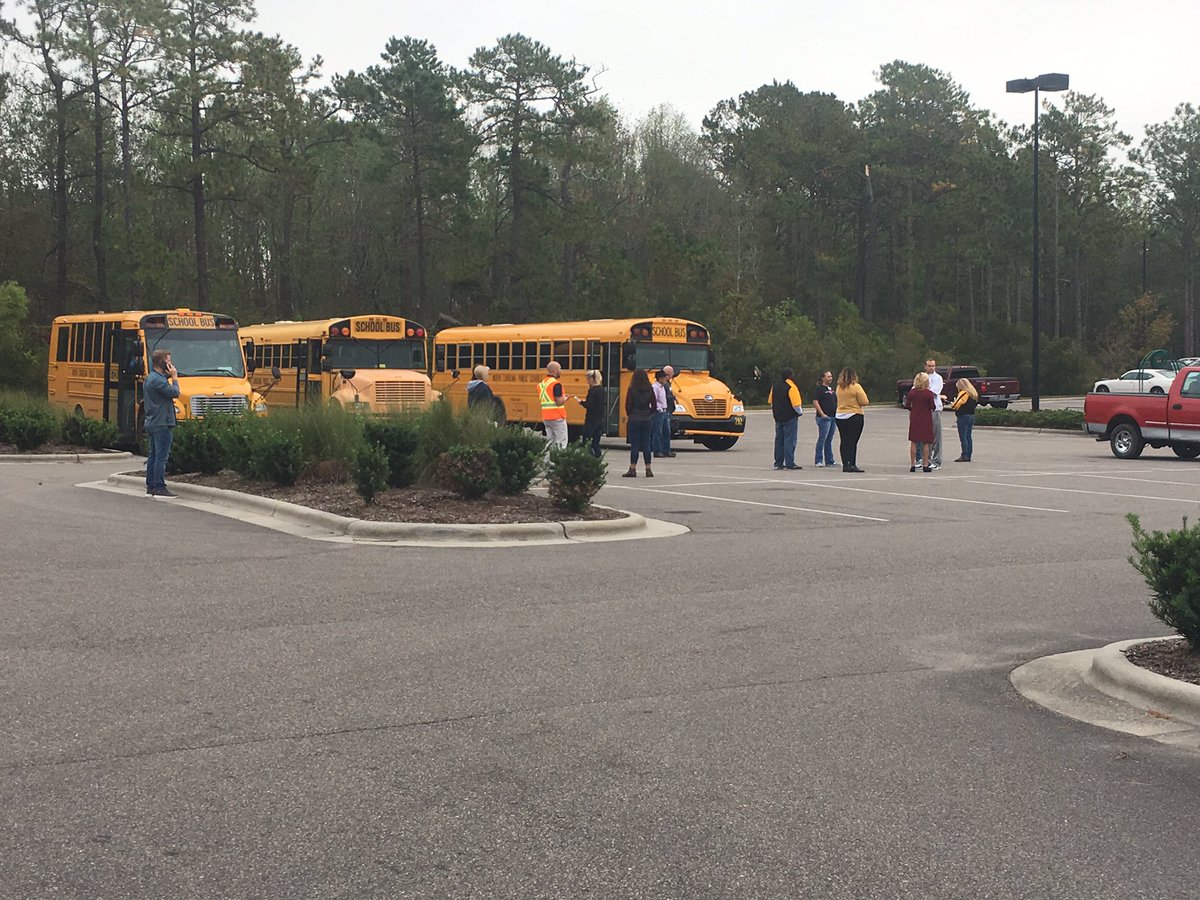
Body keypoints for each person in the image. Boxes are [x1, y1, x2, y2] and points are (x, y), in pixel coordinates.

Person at [143, 348, 180, 498]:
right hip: (161, 422)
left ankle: (151, 484)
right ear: (161, 362)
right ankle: (159, 485)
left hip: (151, 421)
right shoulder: (159, 381)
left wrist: (168, 376)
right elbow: (175, 392)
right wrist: (175, 377)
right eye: (168, 361)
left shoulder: (150, 378)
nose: (170, 364)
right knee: (161, 456)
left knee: (153, 455)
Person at [767, 367, 803, 470]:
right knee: (789, 440)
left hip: (778, 417)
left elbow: (771, 402)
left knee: (779, 440)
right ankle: (789, 462)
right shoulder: (791, 387)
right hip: (790, 417)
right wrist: (800, 413)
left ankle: (778, 462)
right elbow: (796, 404)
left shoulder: (775, 386)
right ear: (790, 376)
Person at [835, 368, 869, 473]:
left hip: (840, 415)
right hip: (854, 414)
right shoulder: (856, 387)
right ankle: (852, 463)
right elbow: (864, 401)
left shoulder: (839, 388)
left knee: (844, 441)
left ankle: (846, 464)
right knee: (852, 441)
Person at [623, 368, 656, 477]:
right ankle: (648, 468)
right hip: (646, 418)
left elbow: (628, 405)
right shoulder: (649, 389)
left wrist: (631, 414)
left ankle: (632, 468)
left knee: (635, 445)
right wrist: (649, 413)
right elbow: (654, 405)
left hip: (634, 417)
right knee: (646, 444)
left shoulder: (632, 389)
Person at [906, 371, 936, 473]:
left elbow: (907, 405)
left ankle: (912, 464)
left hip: (915, 418)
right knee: (926, 442)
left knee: (914, 441)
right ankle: (925, 464)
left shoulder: (912, 393)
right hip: (926, 418)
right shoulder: (928, 393)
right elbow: (933, 406)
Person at [575, 369, 606, 459]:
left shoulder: (592, 391)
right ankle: (598, 458)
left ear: (592, 379)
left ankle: (591, 459)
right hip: (600, 419)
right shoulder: (601, 389)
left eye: (588, 379)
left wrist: (580, 402)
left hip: (591, 419)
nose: (587, 381)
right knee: (595, 442)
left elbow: (589, 405)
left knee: (586, 441)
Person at [538, 361, 569, 449]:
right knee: (561, 442)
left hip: (546, 417)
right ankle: (559, 461)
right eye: (560, 369)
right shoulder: (556, 384)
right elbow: (559, 402)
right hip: (557, 416)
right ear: (555, 370)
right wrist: (565, 398)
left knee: (550, 441)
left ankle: (546, 461)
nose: (561, 371)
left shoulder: (542, 384)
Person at [950, 377, 979, 462]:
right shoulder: (973, 394)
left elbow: (956, 404)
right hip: (971, 415)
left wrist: (952, 404)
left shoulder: (963, 393)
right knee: (968, 436)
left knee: (963, 437)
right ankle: (969, 454)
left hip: (963, 416)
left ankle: (964, 455)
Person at [813, 370, 837, 467]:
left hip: (833, 417)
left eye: (831, 376)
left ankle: (829, 460)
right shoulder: (819, 389)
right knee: (822, 438)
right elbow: (815, 402)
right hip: (824, 418)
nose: (830, 378)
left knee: (829, 439)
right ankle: (818, 460)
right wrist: (822, 414)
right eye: (828, 377)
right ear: (823, 378)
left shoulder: (832, 389)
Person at [924, 358, 945, 469]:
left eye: (933, 366)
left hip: (935, 409)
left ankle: (937, 460)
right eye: (929, 366)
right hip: (924, 410)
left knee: (936, 436)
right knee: (926, 436)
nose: (931, 368)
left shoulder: (938, 378)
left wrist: (922, 391)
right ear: (925, 366)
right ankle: (926, 459)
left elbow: (933, 392)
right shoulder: (922, 377)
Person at [651, 369, 672, 458]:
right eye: (664, 377)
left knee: (666, 432)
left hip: (664, 411)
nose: (665, 379)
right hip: (658, 412)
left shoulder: (663, 387)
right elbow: (653, 400)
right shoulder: (655, 387)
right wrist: (657, 409)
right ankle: (657, 450)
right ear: (659, 378)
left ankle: (666, 450)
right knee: (657, 432)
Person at [657, 365, 676, 457]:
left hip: (667, 409)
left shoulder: (667, 384)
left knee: (666, 432)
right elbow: (662, 397)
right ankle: (662, 450)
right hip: (663, 411)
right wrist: (672, 397)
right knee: (663, 432)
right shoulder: (664, 385)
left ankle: (666, 450)